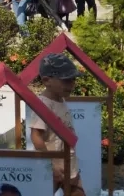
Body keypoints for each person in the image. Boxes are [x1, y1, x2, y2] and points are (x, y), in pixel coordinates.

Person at [28, 53, 85, 196]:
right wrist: (51, 164)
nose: (71, 84)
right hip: (52, 168)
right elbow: (36, 136)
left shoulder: (60, 100)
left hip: (69, 165)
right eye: (66, 80)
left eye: (73, 80)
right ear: (47, 81)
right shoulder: (43, 104)